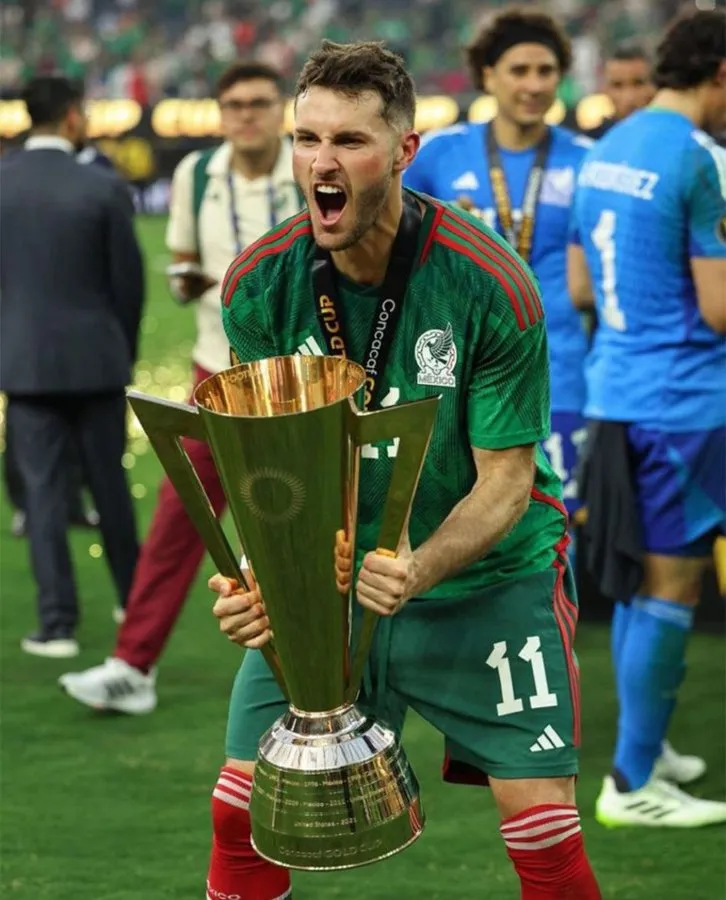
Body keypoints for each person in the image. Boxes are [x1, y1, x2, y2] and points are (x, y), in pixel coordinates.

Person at [206, 39, 602, 900]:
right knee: (240, 814)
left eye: (349, 141)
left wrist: (418, 567)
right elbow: (273, 477)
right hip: (338, 586)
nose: (321, 161)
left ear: (404, 152)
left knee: (542, 826)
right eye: (307, 139)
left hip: (487, 582)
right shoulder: (260, 286)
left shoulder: (488, 283)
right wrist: (257, 580)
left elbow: (505, 479)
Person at [59, 62, 303, 710]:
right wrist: (197, 282)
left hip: (295, 382)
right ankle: (132, 666)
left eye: (258, 103)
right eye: (234, 105)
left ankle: (321, 673)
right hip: (213, 373)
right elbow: (181, 267)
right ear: (220, 113)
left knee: (298, 527)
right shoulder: (198, 176)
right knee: (179, 518)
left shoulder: (309, 169)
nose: (246, 115)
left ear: (280, 108)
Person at [568, 8, 726, 827]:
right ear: (721, 74)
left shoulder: (607, 148)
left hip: (615, 392)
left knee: (637, 586)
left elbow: (586, 290)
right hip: (687, 404)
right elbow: (719, 307)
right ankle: (631, 785)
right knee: (671, 585)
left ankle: (643, 749)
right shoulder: (702, 160)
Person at [403, 8, 591, 527]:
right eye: (519, 70)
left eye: (546, 71)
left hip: (562, 369)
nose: (533, 85)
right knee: (465, 515)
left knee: (556, 524)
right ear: (488, 75)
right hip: (460, 368)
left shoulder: (588, 162)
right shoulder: (439, 154)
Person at [0, 75, 144, 658]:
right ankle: (135, 604)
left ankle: (56, 623)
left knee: (41, 495)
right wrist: (120, 351)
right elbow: (127, 286)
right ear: (72, 117)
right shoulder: (102, 186)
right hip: (97, 360)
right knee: (109, 485)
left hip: (26, 365)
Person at [584, 43, 655, 140]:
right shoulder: (590, 144)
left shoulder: (673, 139)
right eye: (617, 85)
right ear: (604, 89)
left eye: (638, 84)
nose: (628, 97)